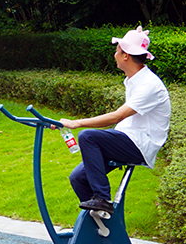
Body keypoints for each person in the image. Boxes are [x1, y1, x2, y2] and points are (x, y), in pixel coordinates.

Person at [57, 26, 171, 214]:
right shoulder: (133, 79)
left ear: (126, 56)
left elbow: (117, 116)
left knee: (88, 136)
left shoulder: (149, 85)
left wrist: (76, 123)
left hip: (140, 144)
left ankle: (102, 198)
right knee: (78, 178)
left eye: (117, 51)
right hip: (127, 138)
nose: (114, 55)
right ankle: (101, 222)